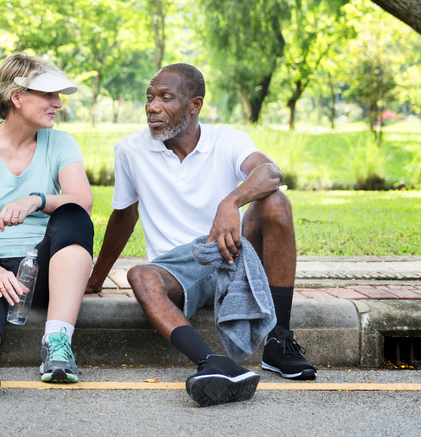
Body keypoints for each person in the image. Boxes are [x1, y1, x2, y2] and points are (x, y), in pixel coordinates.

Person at [86, 63, 317, 407]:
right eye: (150, 98)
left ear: (194, 104)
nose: (152, 106)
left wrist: (231, 201)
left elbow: (270, 171)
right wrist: (95, 279)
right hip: (178, 269)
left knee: (276, 202)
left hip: (231, 252)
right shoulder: (130, 150)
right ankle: (213, 364)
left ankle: (278, 343)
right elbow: (124, 216)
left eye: (165, 98)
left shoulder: (227, 140)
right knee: (139, 274)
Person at [0, 53, 94, 396]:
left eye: (58, 96)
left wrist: (37, 200)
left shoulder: (60, 143)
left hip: (43, 270)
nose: (58, 104)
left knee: (73, 214)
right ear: (17, 98)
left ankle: (57, 344)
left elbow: (82, 198)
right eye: (48, 96)